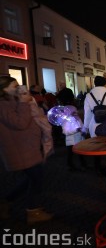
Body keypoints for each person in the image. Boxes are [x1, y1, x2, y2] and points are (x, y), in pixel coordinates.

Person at [0, 76, 53, 224]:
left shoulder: (11, 101)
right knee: (37, 178)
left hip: (27, 148)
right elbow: (20, 123)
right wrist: (23, 103)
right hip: (20, 150)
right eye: (14, 85)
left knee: (33, 178)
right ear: (4, 89)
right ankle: (32, 211)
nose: (18, 88)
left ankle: (5, 202)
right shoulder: (3, 105)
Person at [83, 76, 106, 175]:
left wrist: (86, 127)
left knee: (96, 146)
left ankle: (98, 168)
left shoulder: (89, 95)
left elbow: (87, 112)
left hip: (94, 123)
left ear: (95, 83)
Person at [62, 107, 88, 172]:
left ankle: (83, 165)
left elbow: (82, 126)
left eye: (75, 111)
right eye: (73, 112)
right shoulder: (66, 121)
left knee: (80, 153)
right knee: (70, 154)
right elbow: (65, 131)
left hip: (79, 139)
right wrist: (75, 130)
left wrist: (84, 131)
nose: (76, 113)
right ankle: (70, 166)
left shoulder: (78, 119)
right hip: (71, 141)